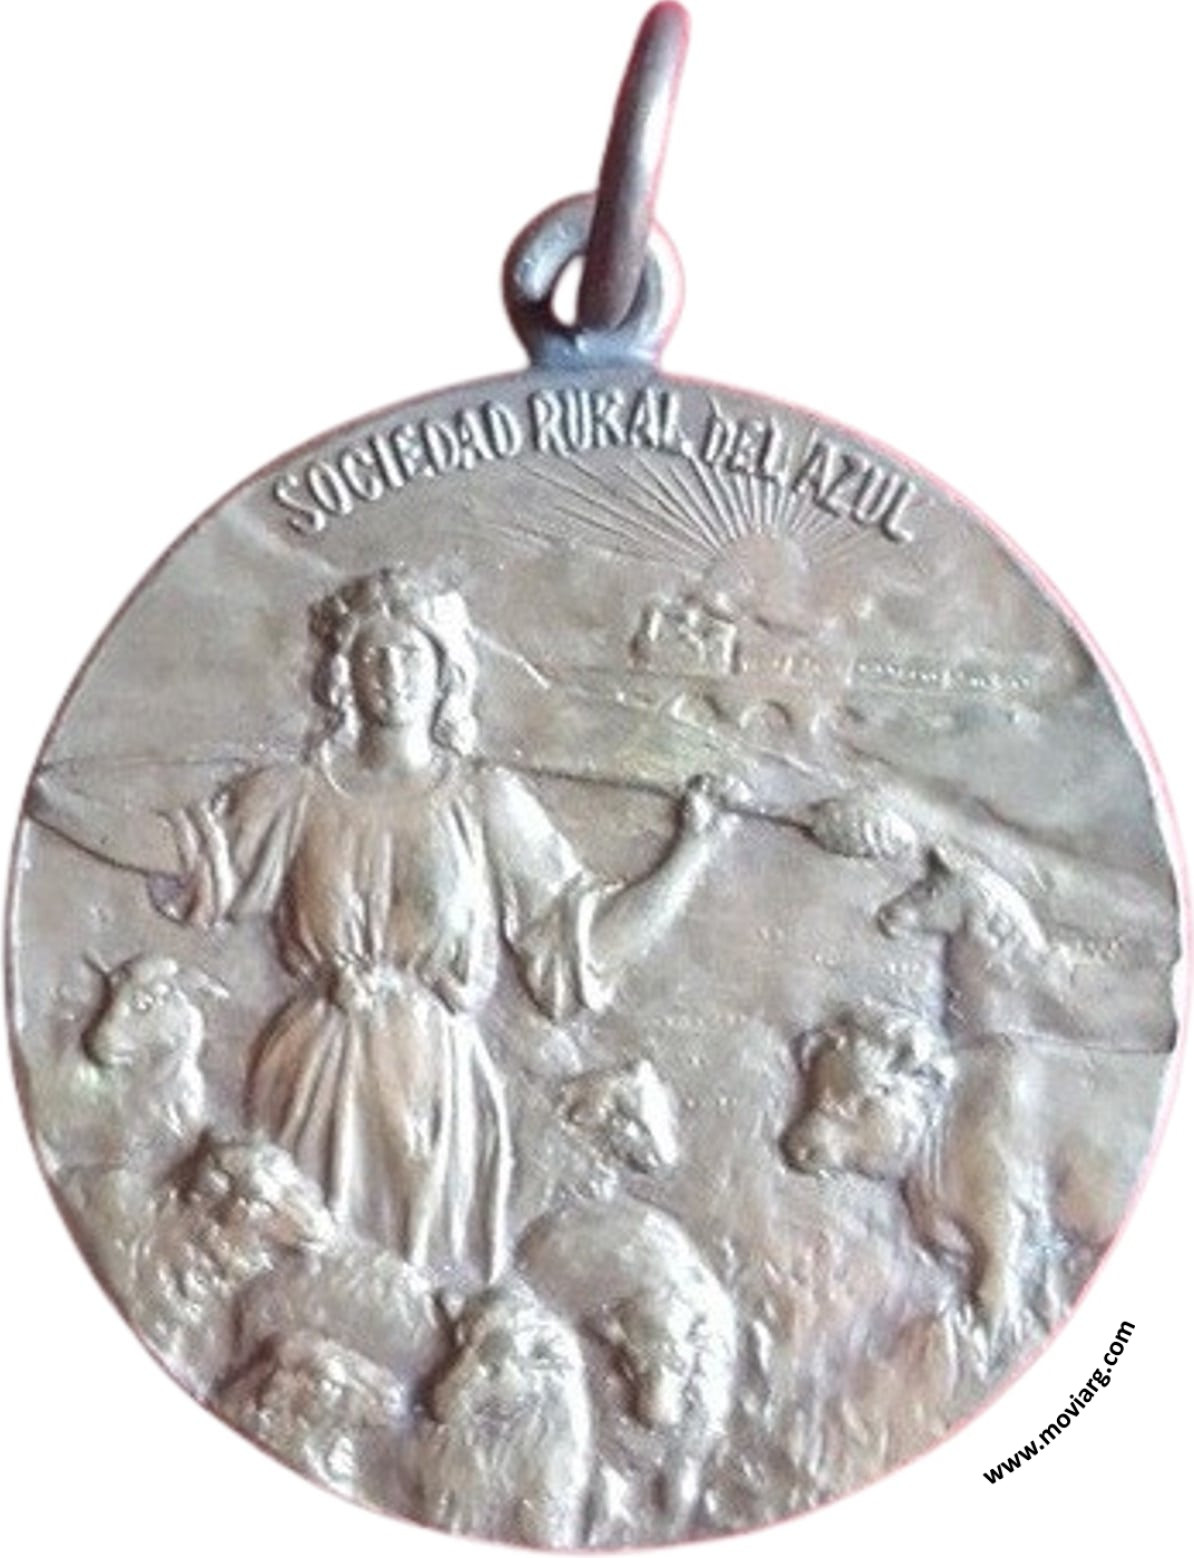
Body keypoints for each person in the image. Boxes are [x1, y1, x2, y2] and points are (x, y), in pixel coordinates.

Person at [30, 568, 734, 1281]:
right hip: (310, 1068)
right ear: (345, 675)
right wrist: (49, 804)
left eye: (412, 656)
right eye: (375, 655)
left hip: (433, 1086)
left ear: (446, 674)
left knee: (420, 1284)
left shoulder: (486, 801)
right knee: (297, 1273)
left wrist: (691, 851)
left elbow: (579, 943)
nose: (394, 674)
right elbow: (183, 853)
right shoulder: (293, 796)